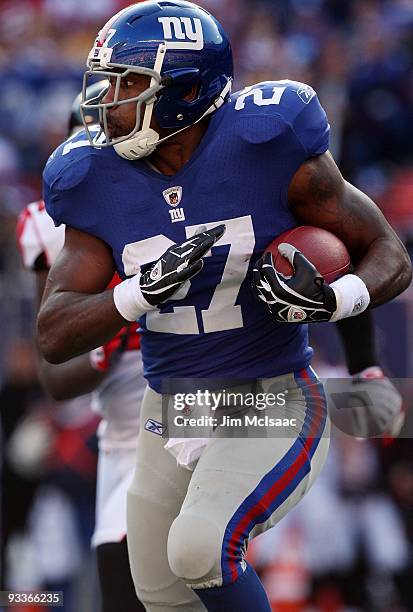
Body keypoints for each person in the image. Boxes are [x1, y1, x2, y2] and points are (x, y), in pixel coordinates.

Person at [37, 2, 411, 611]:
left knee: (200, 548)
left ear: (186, 92)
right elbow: (53, 334)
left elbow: (385, 251)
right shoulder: (93, 176)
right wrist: (138, 292)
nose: (110, 98)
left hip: (269, 394)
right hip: (173, 405)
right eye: (110, 79)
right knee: (157, 590)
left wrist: (333, 300)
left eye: (132, 83)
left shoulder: (266, 141)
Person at [17, 83, 145, 612]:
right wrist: (104, 338)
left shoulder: (168, 198)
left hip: (207, 388)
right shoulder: (48, 226)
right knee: (116, 570)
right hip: (122, 417)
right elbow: (54, 367)